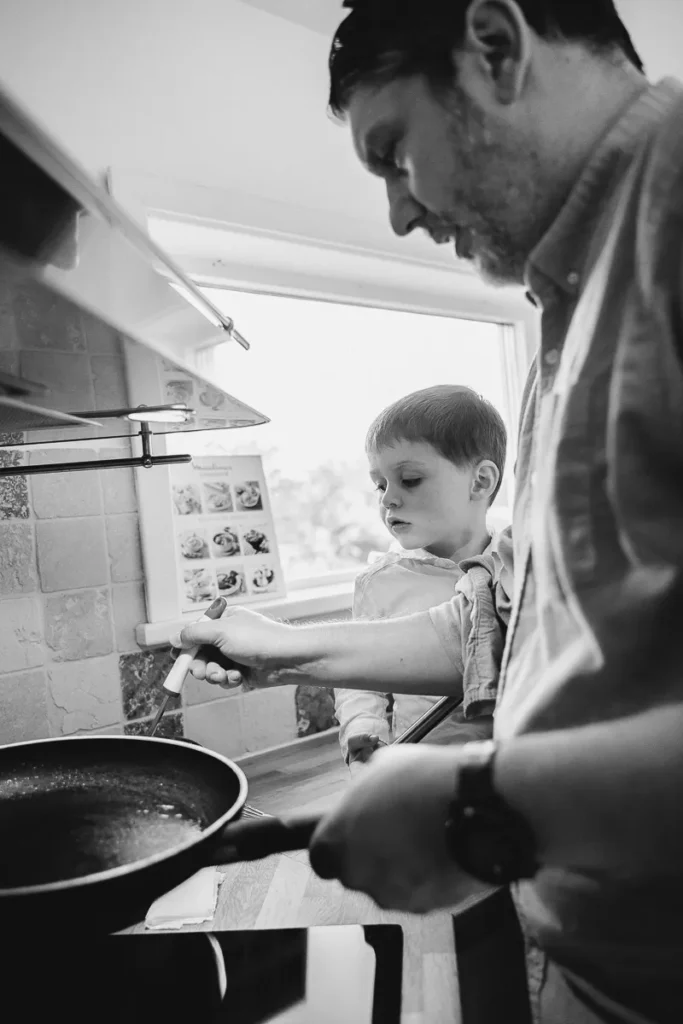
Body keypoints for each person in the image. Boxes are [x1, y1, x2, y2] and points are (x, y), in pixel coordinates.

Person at [172, 2, 683, 1021]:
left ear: (493, 46)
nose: (400, 215)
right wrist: (290, 648)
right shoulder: (570, 298)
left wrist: (482, 805)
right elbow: (534, 634)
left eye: (394, 152)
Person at [335, 384, 508, 772]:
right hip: (419, 766)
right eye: (380, 485)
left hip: (512, 767)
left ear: (480, 482)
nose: (387, 499)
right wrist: (363, 726)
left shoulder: (516, 568)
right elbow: (359, 675)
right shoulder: (380, 582)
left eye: (409, 480)